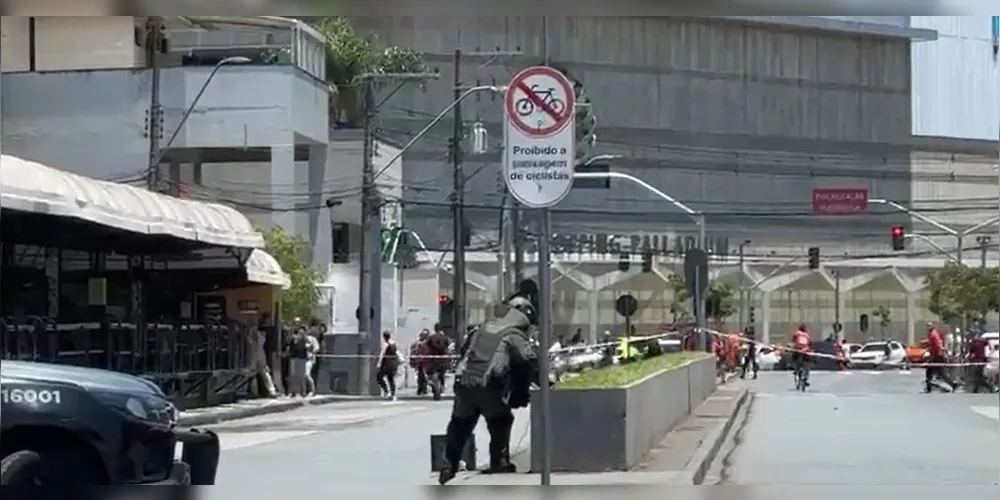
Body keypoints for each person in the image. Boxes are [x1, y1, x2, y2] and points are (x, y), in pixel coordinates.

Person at [438, 294, 539, 485]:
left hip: (465, 383)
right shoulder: (514, 334)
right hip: (490, 387)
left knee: (459, 425)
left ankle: (447, 465)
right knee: (501, 420)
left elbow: (464, 352)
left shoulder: (482, 328)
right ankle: (499, 461)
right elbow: (526, 361)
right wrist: (524, 390)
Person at [924, 322, 955, 393]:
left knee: (936, 372)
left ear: (932, 327)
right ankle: (929, 387)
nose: (927, 327)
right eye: (927, 326)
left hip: (937, 356)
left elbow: (937, 346)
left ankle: (952, 384)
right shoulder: (933, 334)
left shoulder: (933, 334)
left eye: (929, 326)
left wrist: (933, 355)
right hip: (936, 355)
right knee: (934, 372)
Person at [284, 324, 311, 397]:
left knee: (301, 375)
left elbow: (308, 343)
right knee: (293, 375)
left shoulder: (304, 337)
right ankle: (292, 392)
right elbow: (287, 341)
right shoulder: (293, 337)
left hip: (302, 357)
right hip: (293, 357)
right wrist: (291, 333)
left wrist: (304, 335)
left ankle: (303, 391)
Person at [377, 330, 400, 400]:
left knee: (379, 377)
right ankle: (393, 394)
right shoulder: (394, 344)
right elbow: (396, 352)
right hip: (393, 363)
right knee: (391, 379)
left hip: (386, 364)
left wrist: (379, 362)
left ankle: (387, 391)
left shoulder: (385, 344)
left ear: (384, 336)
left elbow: (382, 353)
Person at [411, 329, 431, 396]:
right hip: (420, 361)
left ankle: (424, 388)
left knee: (423, 375)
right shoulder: (417, 343)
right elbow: (413, 351)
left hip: (426, 361)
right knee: (420, 375)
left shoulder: (428, 343)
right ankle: (420, 389)